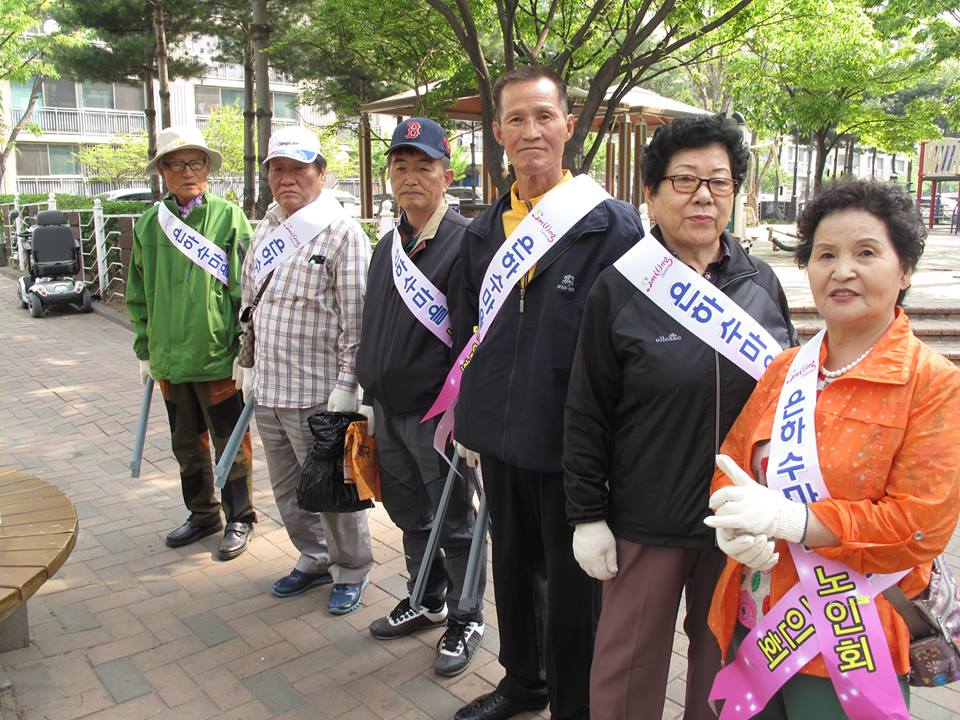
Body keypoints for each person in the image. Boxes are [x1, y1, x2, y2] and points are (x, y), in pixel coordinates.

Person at [562, 114, 797, 720]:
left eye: (718, 182)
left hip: (739, 524)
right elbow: (586, 408)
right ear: (652, 193)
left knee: (725, 666)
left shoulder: (761, 283)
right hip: (646, 521)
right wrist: (587, 514)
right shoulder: (620, 288)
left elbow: (790, 405)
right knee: (626, 670)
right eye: (685, 180)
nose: (703, 197)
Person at [705, 180, 960, 718]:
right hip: (758, 619)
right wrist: (736, 525)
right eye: (826, 255)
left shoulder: (933, 383)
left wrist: (797, 521)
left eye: (866, 253)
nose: (842, 270)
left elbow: (920, 525)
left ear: (905, 269)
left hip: (853, 640)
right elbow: (731, 466)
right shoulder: (784, 370)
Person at [452, 66, 645, 720]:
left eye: (543, 116)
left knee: (574, 594)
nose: (530, 130)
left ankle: (575, 705)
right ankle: (522, 683)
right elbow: (468, 334)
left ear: (569, 125)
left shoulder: (612, 227)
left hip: (575, 448)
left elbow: (632, 343)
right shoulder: (479, 235)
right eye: (515, 118)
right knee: (512, 574)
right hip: (502, 441)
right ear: (498, 132)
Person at [357, 117, 486, 677]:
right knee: (408, 513)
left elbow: (474, 337)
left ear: (446, 175)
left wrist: (468, 420)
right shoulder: (387, 244)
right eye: (401, 166)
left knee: (453, 519)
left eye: (424, 167)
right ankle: (426, 596)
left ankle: (466, 615)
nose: (411, 178)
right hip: (387, 409)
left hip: (438, 418)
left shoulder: (467, 243)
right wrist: (363, 394)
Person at [235, 125, 374, 614]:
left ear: (321, 173)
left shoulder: (342, 233)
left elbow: (356, 321)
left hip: (320, 394)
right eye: (278, 169)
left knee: (333, 491)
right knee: (289, 489)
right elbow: (251, 299)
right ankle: (313, 557)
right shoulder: (267, 226)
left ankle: (351, 568)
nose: (286, 179)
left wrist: (347, 387)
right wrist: (246, 359)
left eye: (298, 168)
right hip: (270, 389)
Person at [127, 126, 255, 561]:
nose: (188, 171)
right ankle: (203, 514)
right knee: (187, 442)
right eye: (177, 163)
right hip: (169, 359)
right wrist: (145, 349)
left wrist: (245, 348)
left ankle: (241, 516)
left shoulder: (228, 217)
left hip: (219, 356)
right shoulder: (148, 223)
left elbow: (245, 289)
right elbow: (138, 293)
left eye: (196, 162)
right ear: (162, 171)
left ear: (207, 168)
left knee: (231, 440)